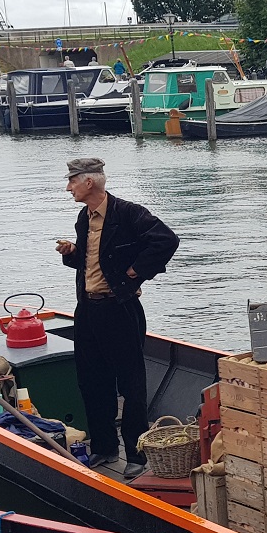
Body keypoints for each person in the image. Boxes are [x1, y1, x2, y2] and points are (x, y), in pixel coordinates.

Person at [55, 158, 179, 479]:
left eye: (72, 181)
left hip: (120, 310)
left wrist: (136, 272)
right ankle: (105, 447)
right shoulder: (84, 218)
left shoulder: (128, 212)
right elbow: (91, 261)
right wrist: (72, 253)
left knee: (131, 383)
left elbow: (166, 241)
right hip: (88, 310)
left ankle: (136, 453)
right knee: (92, 380)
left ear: (89, 183)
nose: (68, 187)